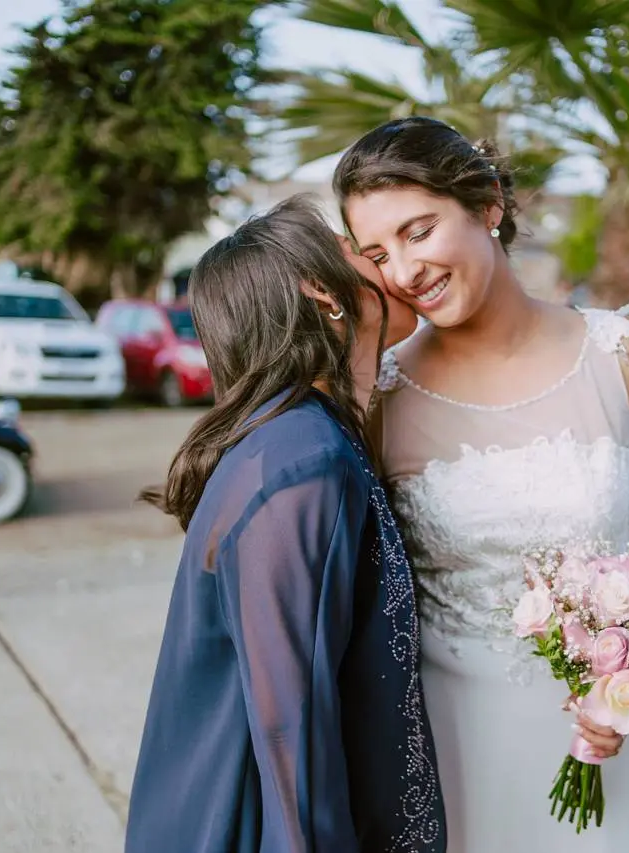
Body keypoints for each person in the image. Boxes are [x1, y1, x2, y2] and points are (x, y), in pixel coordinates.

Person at [334, 118, 629, 852]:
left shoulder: (617, 353)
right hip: (453, 742)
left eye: (419, 230)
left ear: (489, 204)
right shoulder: (384, 397)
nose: (404, 269)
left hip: (604, 735)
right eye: (378, 253)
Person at [125, 195, 447, 853]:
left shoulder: (311, 435)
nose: (390, 266)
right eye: (361, 250)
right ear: (321, 290)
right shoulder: (302, 463)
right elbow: (291, 738)